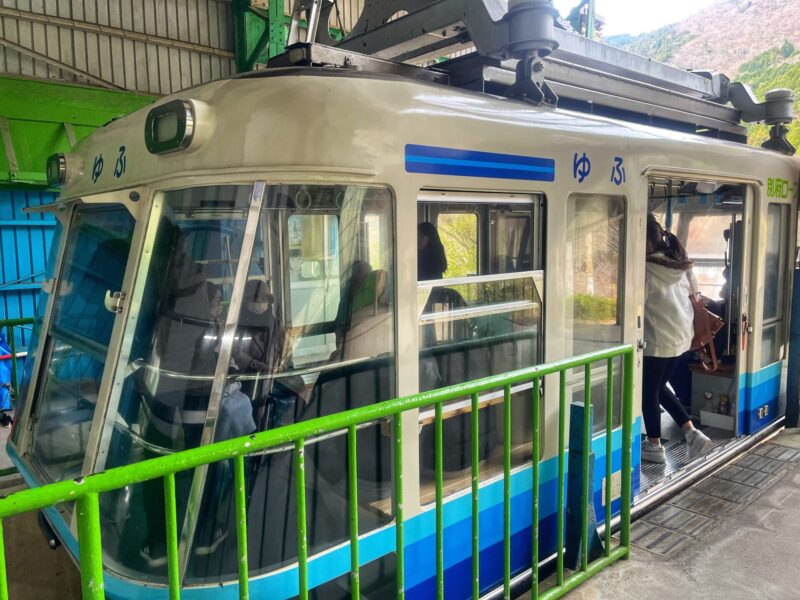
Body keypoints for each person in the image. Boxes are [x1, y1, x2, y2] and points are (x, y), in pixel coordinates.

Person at [642, 214, 711, 464]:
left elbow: (634, 305)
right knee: (658, 388)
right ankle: (693, 434)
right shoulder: (680, 264)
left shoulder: (646, 270)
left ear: (646, 243)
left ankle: (654, 446)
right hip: (682, 339)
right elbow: (695, 295)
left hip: (656, 340)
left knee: (648, 393)